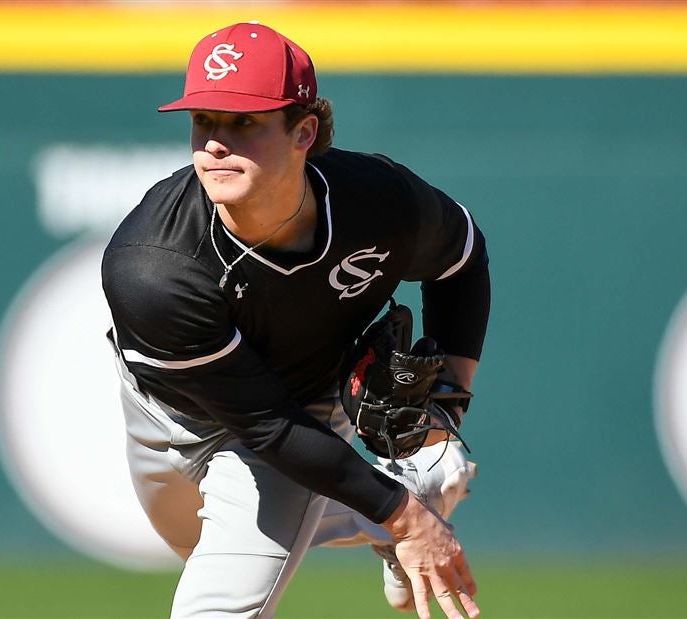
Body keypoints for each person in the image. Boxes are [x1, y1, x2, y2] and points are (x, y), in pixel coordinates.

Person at [101, 22, 489, 619]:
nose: (214, 144)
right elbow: (260, 422)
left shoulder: (377, 201)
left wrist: (445, 412)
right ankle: (411, 490)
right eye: (203, 121)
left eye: (244, 122)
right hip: (168, 418)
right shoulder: (154, 268)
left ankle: (402, 490)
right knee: (198, 545)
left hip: (299, 407)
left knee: (217, 608)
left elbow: (462, 259)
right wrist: (408, 517)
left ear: (304, 130)